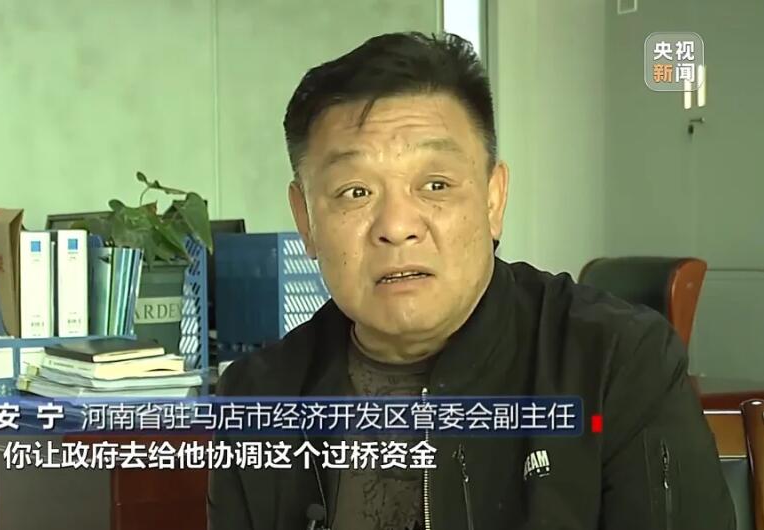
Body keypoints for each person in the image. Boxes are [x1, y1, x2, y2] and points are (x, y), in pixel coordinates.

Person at [207, 32, 735, 530]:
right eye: (355, 192)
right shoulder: (257, 398)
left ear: (492, 199)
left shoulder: (617, 365)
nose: (397, 226)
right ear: (305, 220)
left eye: (435, 184)